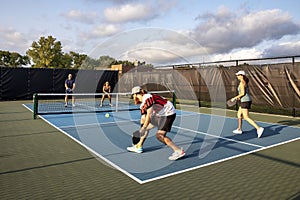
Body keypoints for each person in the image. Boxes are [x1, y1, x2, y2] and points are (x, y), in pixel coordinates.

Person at [127, 86, 185, 161]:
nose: (134, 98)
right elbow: (144, 118)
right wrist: (141, 130)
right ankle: (138, 147)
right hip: (159, 115)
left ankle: (178, 151)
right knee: (145, 125)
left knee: (159, 136)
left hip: (168, 114)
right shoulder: (142, 105)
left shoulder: (147, 97)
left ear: (136, 94)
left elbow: (149, 115)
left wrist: (143, 128)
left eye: (134, 95)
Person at [230, 70, 264, 138]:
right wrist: (239, 97)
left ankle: (258, 128)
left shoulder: (242, 83)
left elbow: (243, 93)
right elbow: (243, 93)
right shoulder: (243, 82)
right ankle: (239, 129)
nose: (237, 76)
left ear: (241, 76)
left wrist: (234, 98)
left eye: (238, 75)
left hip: (245, 101)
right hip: (244, 100)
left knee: (246, 117)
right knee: (239, 114)